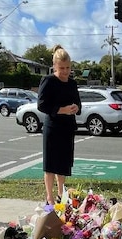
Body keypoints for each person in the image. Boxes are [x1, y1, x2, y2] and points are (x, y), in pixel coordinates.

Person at [37, 45, 81, 205]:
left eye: (68, 67)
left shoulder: (72, 83)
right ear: (54, 66)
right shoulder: (48, 81)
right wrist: (61, 110)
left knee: (63, 163)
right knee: (50, 164)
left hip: (67, 127)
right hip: (53, 127)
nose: (65, 71)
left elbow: (78, 103)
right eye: (62, 68)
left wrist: (76, 107)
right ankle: (49, 197)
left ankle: (61, 193)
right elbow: (41, 105)